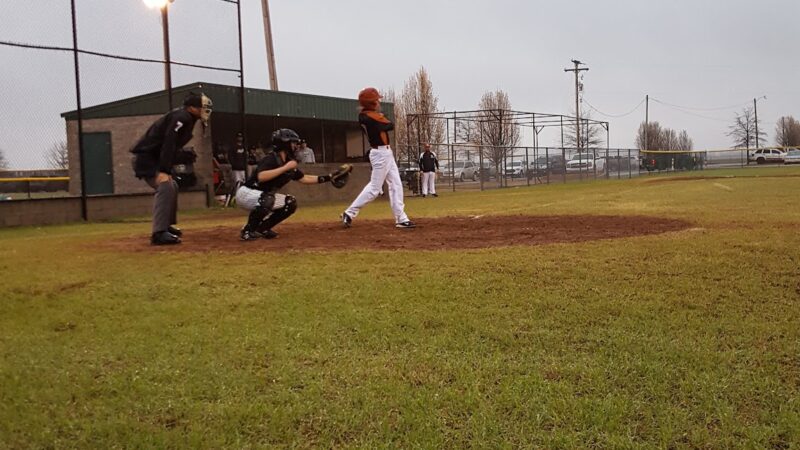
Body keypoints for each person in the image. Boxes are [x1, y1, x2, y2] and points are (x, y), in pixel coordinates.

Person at [131, 92, 212, 245]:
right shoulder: (182, 117)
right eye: (201, 106)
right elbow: (169, 142)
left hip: (153, 158)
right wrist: (164, 170)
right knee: (166, 185)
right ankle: (158, 233)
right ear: (191, 108)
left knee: (172, 185)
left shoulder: (188, 119)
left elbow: (172, 146)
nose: (204, 109)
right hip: (146, 158)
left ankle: (166, 225)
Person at [236, 128, 346, 240]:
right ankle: (248, 231)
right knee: (268, 199)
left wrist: (329, 177)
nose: (296, 146)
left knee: (290, 203)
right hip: (246, 193)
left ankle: (262, 229)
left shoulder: (288, 162)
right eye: (293, 143)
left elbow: (304, 178)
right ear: (285, 144)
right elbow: (261, 176)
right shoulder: (271, 159)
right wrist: (285, 168)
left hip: (262, 196)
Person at [341, 87, 415, 229]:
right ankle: (349, 213)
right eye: (376, 100)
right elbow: (389, 125)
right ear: (371, 103)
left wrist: (381, 115)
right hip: (380, 154)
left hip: (385, 153)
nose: (378, 102)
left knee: (396, 184)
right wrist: (382, 116)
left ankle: (401, 218)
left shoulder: (367, 115)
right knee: (375, 189)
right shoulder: (368, 116)